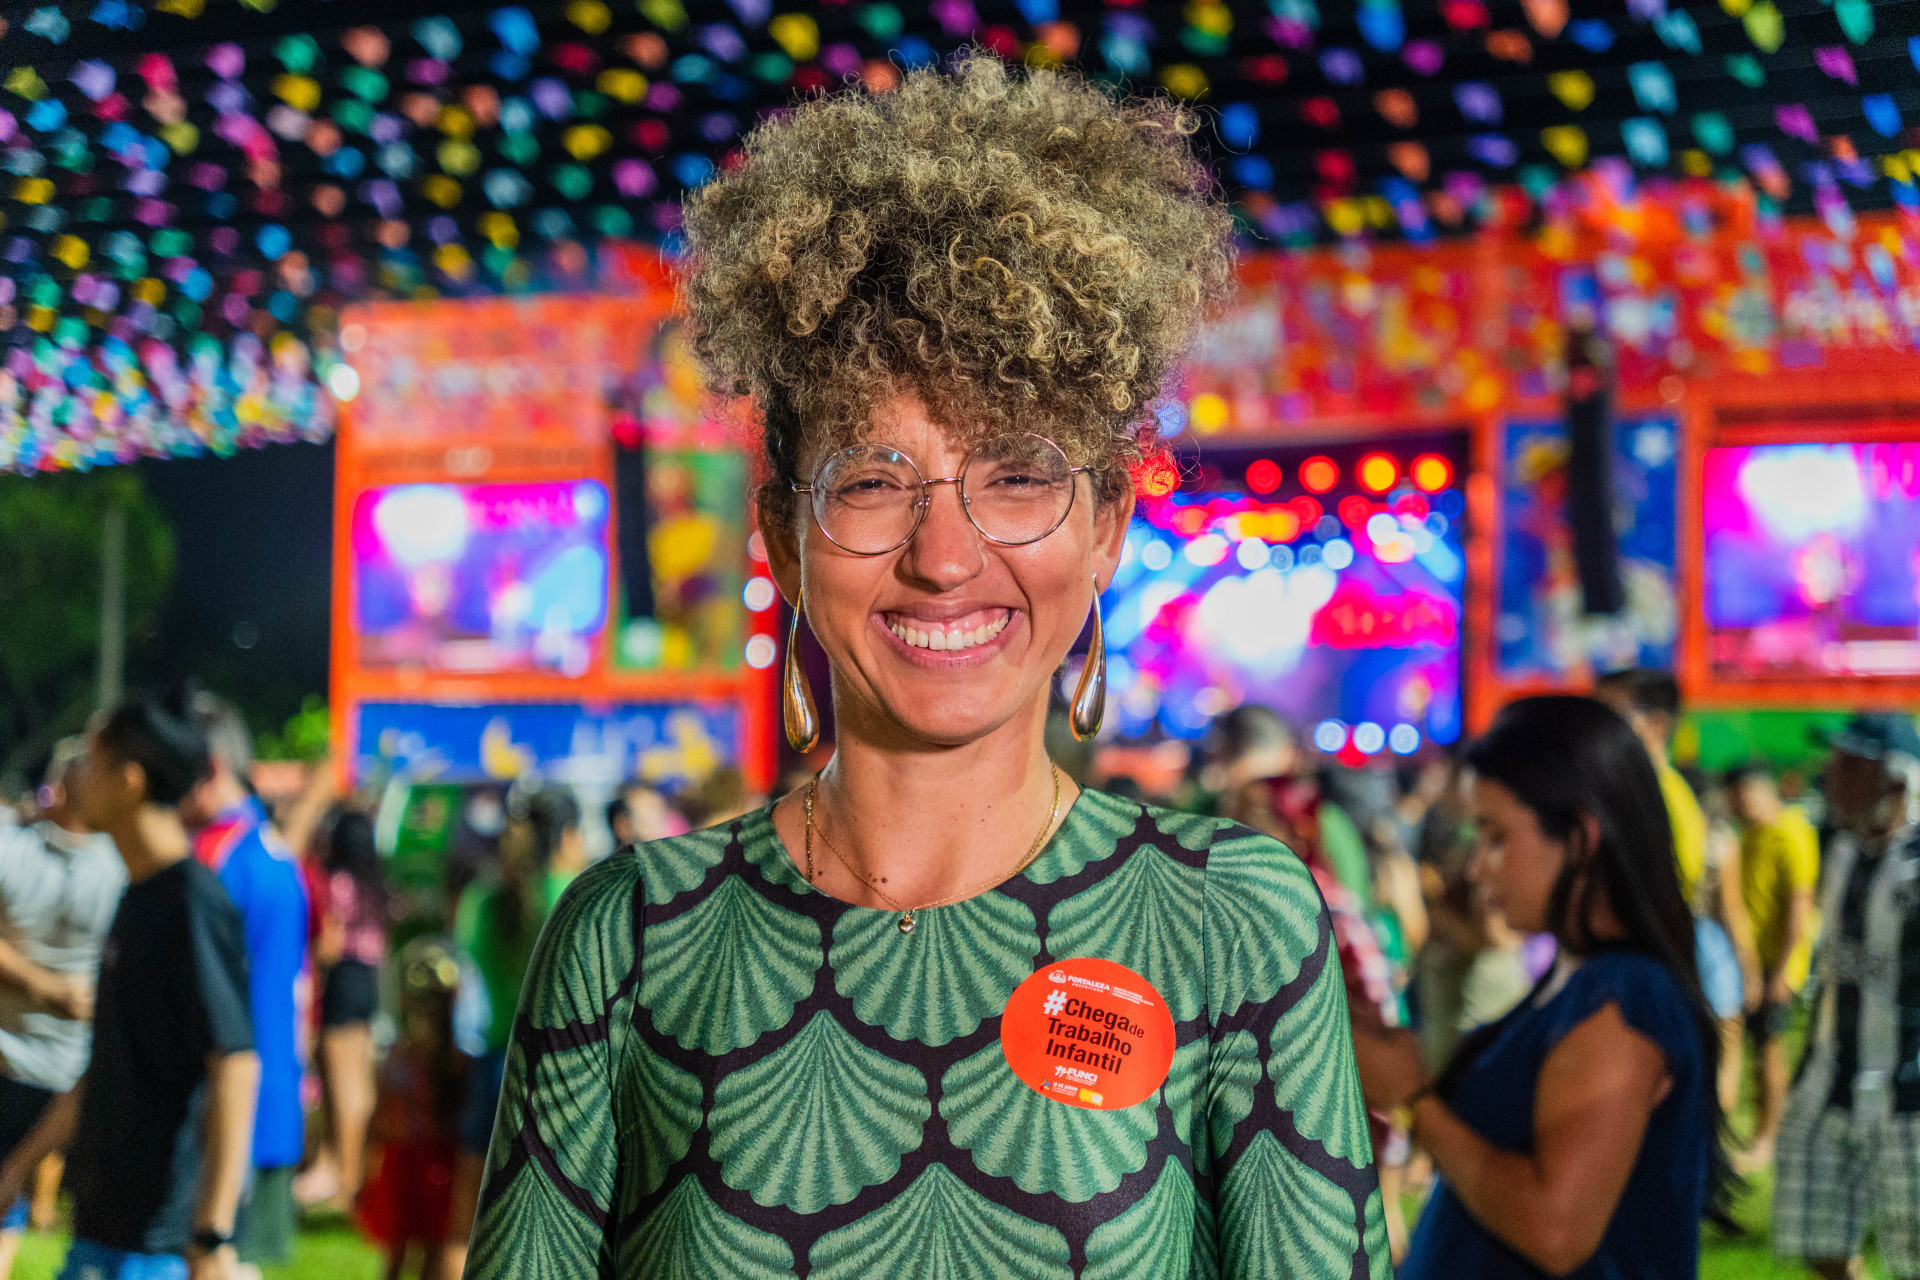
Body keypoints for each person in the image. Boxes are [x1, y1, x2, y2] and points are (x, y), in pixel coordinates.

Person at [465, 53, 1387, 1279]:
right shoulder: (632, 936)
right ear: (784, 535)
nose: (946, 555)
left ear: (1106, 521)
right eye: (874, 479)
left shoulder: (1232, 923)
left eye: (1017, 475)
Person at [1353, 695, 1727, 1279]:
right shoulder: (1577, 978)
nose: (1478, 866)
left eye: (1496, 836)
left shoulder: (1627, 994)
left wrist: (1414, 1103)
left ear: (1579, 836)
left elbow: (1556, 1230)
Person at [0, 693, 257, 1280]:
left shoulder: (192, 902)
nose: (75, 778)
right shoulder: (134, 894)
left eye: (90, 761)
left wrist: (212, 1235)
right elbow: (110, 1061)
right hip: (104, 1227)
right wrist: (20, 1165)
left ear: (130, 779)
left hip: (155, 1242)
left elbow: (235, 1063)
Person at [1772, 714, 1920, 1280]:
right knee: (1820, 1241)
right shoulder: (1835, 844)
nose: (1831, 778)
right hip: (1826, 1082)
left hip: (1906, 1093)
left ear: (1897, 784)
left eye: (1851, 768)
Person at [1596, 670, 1756, 1134]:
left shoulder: (1659, 797)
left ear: (1656, 725)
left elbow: (1662, 900)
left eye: (1612, 715)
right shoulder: (1647, 792)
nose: (1599, 728)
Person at [182, 693, 309, 1273]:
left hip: (224, 1110)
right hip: (270, 1100)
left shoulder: (215, 855)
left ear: (208, 764)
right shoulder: (273, 851)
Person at [440, 787, 584, 1280]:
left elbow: (467, 992)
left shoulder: (480, 899)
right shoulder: (575, 893)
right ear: (568, 836)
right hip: (561, 1073)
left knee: (464, 1225)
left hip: (492, 1064)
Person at [0, 740, 126, 1278]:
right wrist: (48, 987)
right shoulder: (13, 847)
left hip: (74, 1074)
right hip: (20, 1060)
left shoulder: (124, 869)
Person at [356, 938, 468, 1280]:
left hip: (418, 1163)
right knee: (419, 1249)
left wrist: (364, 1170)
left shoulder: (410, 1059)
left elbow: (375, 1120)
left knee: (409, 1251)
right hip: (418, 1163)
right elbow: (377, 1118)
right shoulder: (456, 1061)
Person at [1727, 760, 1820, 1168]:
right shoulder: (1750, 834)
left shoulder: (1791, 833)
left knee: (1770, 1050)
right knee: (1751, 1048)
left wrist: (1783, 971)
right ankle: (1757, 1134)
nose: (1732, 805)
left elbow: (1800, 907)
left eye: (1736, 795)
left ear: (1755, 790)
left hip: (1777, 964)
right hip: (1750, 961)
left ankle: (1769, 1139)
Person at [294, 812, 388, 1212]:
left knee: (342, 1083)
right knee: (361, 1084)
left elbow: (328, 944)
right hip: (370, 979)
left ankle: (347, 1179)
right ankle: (357, 1172)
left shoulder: (338, 884)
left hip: (343, 980)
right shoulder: (377, 883)